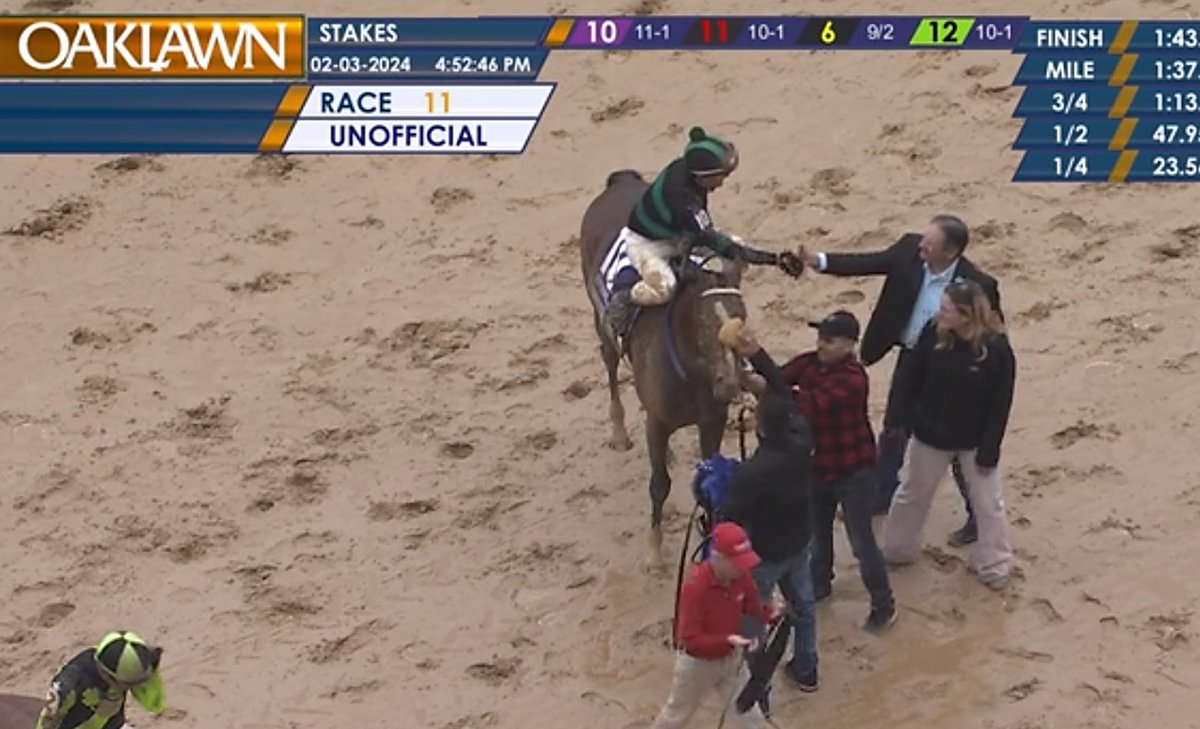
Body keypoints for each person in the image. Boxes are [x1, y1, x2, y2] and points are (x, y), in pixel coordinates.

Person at [798, 215, 1003, 547]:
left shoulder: (978, 284)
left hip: (950, 369)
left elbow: (992, 334)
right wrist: (819, 261)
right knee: (894, 428)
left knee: (955, 444)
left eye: (931, 243)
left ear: (950, 252)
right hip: (911, 358)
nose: (922, 245)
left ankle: (975, 515)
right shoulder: (909, 250)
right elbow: (868, 262)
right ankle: (881, 494)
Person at [881, 280, 1016, 590]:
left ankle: (995, 565)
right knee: (912, 492)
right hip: (930, 435)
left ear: (966, 316)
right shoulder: (933, 333)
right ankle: (898, 549)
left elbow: (1000, 404)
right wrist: (904, 419)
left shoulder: (996, 349)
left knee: (988, 503)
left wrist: (989, 449)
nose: (938, 313)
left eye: (946, 309)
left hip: (975, 441)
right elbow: (910, 376)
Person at [607, 126, 802, 330]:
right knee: (665, 289)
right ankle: (626, 298)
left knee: (734, 245)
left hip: (680, 233)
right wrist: (773, 260)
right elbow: (720, 244)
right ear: (702, 176)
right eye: (721, 176)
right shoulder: (683, 200)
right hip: (648, 243)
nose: (722, 183)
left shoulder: (686, 171)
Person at [777, 310, 896, 633]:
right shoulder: (811, 363)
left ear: (849, 345)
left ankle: (883, 604)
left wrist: (772, 390)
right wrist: (753, 360)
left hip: (853, 472)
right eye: (819, 338)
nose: (820, 345)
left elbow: (809, 404)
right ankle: (820, 583)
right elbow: (780, 376)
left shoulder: (853, 379)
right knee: (817, 532)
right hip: (818, 468)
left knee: (861, 542)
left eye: (829, 340)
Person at [717, 319, 819, 691]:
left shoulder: (753, 473)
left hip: (765, 555)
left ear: (759, 426)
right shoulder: (801, 435)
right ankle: (807, 667)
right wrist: (756, 355)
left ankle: (753, 675)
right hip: (800, 539)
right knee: (804, 605)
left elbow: (727, 517)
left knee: (753, 614)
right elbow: (781, 389)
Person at [652, 522, 778, 729]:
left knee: (751, 717)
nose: (742, 567)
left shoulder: (742, 576)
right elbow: (690, 639)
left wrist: (770, 615)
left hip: (732, 660)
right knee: (676, 716)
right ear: (718, 558)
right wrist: (728, 639)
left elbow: (753, 610)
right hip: (698, 666)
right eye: (736, 562)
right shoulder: (696, 588)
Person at [36, 631, 165, 729]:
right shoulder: (68, 685)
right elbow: (46, 724)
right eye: (127, 684)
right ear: (108, 675)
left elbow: (153, 701)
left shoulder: (121, 657)